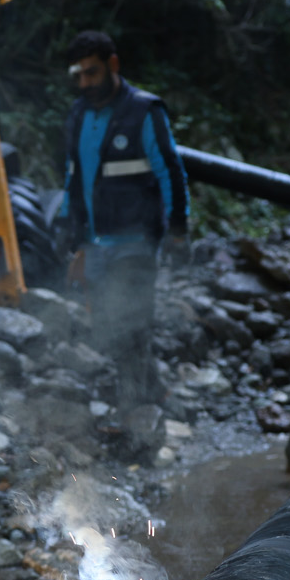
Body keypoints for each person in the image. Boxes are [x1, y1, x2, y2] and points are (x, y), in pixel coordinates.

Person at [60, 30, 190, 400]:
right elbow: (73, 175)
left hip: (136, 241)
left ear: (113, 65)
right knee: (108, 326)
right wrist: (67, 230)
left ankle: (134, 418)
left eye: (92, 73)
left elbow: (171, 172)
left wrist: (178, 231)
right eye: (79, 75)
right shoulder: (78, 114)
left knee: (130, 324)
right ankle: (153, 395)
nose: (85, 83)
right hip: (95, 244)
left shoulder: (144, 112)